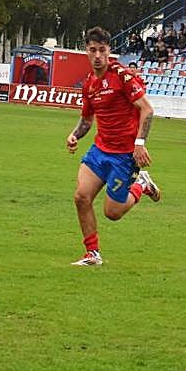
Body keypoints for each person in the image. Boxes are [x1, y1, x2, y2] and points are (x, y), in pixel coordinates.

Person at [66, 26, 161, 267]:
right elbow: (87, 120)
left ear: (109, 50)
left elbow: (146, 109)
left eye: (102, 50)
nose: (97, 55)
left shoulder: (122, 75)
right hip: (100, 150)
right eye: (92, 50)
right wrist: (75, 135)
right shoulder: (88, 83)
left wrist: (139, 143)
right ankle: (92, 253)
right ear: (86, 52)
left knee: (113, 212)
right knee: (81, 197)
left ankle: (141, 185)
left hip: (124, 155)